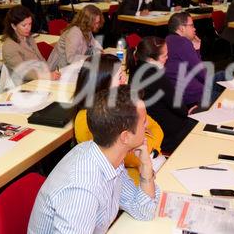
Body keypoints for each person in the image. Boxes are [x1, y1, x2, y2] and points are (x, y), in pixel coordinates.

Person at [28, 85, 160, 234]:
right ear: (125, 137)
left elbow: (143, 211)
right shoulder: (83, 189)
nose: (147, 124)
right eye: (143, 122)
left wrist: (146, 165)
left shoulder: (110, 158)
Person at [73, 54, 164, 184]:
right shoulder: (88, 119)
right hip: (122, 181)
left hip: (146, 166)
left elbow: (157, 128)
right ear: (102, 83)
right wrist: (147, 144)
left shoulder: (121, 104)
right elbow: (132, 158)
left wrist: (148, 148)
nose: (125, 80)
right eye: (120, 77)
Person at [126, 36, 197, 153]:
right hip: (168, 135)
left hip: (152, 130)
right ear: (151, 59)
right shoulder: (156, 75)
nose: (167, 58)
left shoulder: (135, 68)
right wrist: (188, 110)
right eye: (165, 56)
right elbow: (179, 107)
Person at [165, 13, 225, 108]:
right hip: (194, 95)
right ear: (182, 28)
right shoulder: (183, 43)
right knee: (227, 96)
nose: (194, 29)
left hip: (182, 91)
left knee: (222, 74)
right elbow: (202, 74)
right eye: (192, 25)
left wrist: (196, 49)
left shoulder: (168, 40)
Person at [2, 6, 60, 85]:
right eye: (24, 25)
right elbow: (24, 72)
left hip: (40, 80)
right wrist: (46, 76)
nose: (28, 28)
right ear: (13, 26)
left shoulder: (29, 38)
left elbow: (40, 58)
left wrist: (49, 72)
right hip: (25, 86)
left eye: (30, 24)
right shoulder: (9, 46)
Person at [48, 5, 103, 70]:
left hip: (72, 67)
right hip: (60, 70)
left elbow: (94, 45)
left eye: (98, 22)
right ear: (87, 22)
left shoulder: (87, 30)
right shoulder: (74, 32)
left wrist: (99, 52)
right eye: (95, 23)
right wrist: (91, 58)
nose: (97, 26)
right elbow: (71, 59)